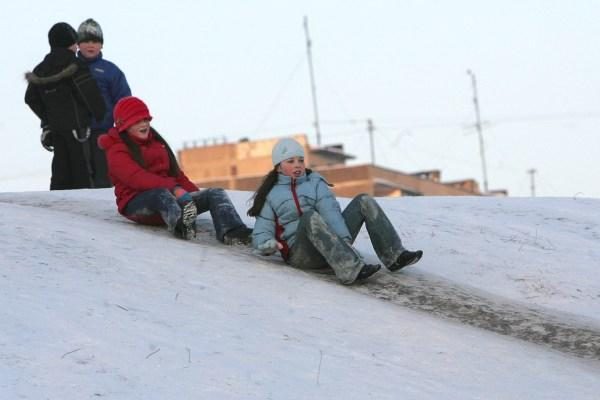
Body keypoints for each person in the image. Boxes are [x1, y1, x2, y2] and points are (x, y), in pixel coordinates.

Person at [248, 137, 423, 285]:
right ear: (279, 166)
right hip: (302, 255)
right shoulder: (271, 194)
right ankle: (349, 268)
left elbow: (330, 212)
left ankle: (394, 255)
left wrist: (344, 240)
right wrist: (267, 244)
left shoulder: (315, 182)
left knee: (364, 200)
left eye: (300, 160)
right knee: (309, 217)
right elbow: (263, 230)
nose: (298, 165)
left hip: (332, 246)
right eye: (291, 161)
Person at [98, 96, 252, 244]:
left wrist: (193, 196)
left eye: (145, 119)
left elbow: (177, 176)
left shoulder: (156, 143)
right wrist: (174, 189)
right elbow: (137, 178)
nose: (143, 123)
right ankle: (182, 226)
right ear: (124, 125)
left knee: (215, 193)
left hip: (169, 198)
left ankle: (233, 232)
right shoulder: (116, 150)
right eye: (137, 120)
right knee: (160, 194)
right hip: (137, 204)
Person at [25, 22, 106, 190]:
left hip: (56, 129)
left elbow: (30, 98)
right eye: (75, 42)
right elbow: (90, 95)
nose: (77, 46)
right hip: (79, 131)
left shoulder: (40, 69)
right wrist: (99, 114)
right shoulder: (75, 65)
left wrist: (47, 118)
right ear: (70, 42)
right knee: (83, 174)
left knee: (60, 172)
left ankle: (58, 207)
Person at [77, 18, 132, 188]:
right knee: (80, 179)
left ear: (101, 45)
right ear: (78, 44)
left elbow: (124, 102)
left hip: (104, 133)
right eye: (86, 40)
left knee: (104, 177)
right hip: (76, 134)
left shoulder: (110, 70)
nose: (90, 45)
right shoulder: (70, 67)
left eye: (95, 41)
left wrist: (125, 130)